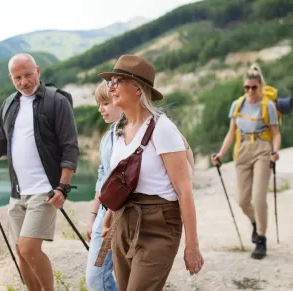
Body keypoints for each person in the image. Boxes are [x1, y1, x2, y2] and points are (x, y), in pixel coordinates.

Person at [0, 53, 79, 291]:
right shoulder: (8, 105)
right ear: (11, 78)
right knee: (20, 251)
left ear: (38, 70)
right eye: (18, 77)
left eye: (28, 75)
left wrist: (63, 186)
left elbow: (70, 148)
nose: (24, 81)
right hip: (18, 193)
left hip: (45, 191)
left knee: (28, 248)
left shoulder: (56, 101)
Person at [94, 54, 203, 291]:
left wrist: (191, 245)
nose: (110, 87)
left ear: (137, 88)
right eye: (110, 81)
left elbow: (184, 191)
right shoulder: (119, 130)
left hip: (158, 224)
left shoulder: (162, 129)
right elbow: (121, 183)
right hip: (123, 222)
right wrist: (109, 222)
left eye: (117, 81)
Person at [211, 64, 281, 260]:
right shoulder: (238, 104)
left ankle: (261, 239)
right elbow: (231, 133)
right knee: (242, 200)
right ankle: (255, 223)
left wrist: (275, 152)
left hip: (262, 149)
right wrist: (221, 154)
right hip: (242, 151)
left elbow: (276, 134)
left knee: (258, 198)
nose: (250, 91)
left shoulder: (269, 106)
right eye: (247, 87)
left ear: (260, 86)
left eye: (254, 87)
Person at [85, 81, 121, 291]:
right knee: (96, 277)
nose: (101, 109)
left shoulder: (129, 135)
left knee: (102, 276)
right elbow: (102, 177)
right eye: (99, 103)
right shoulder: (107, 137)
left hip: (121, 214)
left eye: (105, 102)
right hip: (104, 215)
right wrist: (93, 216)